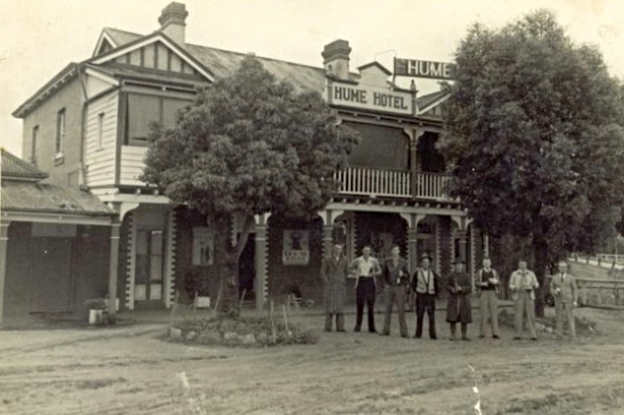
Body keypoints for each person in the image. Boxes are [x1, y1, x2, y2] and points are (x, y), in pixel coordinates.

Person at [380, 245, 410, 338]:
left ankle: (404, 332)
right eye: (393, 250)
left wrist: (403, 275)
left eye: (396, 250)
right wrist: (385, 284)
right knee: (387, 309)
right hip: (389, 287)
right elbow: (383, 275)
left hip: (399, 287)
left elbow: (408, 275)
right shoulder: (387, 261)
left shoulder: (403, 262)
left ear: (399, 251)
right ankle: (385, 330)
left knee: (401, 310)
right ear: (391, 251)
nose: (395, 252)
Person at [350, 246, 382, 333]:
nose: (366, 252)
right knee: (360, 304)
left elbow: (380, 271)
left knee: (370, 305)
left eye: (368, 251)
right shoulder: (358, 260)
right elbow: (350, 268)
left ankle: (372, 327)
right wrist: (355, 272)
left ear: (370, 252)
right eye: (365, 250)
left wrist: (374, 273)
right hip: (361, 281)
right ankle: (358, 326)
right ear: (362, 251)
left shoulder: (374, 260)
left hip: (370, 281)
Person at [320, 243, 350, 332]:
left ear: (341, 250)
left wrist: (342, 279)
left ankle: (340, 327)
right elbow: (322, 272)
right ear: (333, 250)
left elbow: (347, 271)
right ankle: (328, 327)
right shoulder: (327, 259)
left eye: (339, 249)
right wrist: (327, 282)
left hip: (340, 285)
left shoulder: (345, 260)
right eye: (336, 249)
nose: (337, 251)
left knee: (340, 306)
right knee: (330, 306)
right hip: (331, 285)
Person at [411, 253, 439, 339]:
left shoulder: (433, 273)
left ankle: (433, 334)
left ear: (429, 263)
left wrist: (436, 294)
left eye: (427, 262)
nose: (426, 264)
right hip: (421, 296)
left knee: (431, 315)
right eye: (424, 262)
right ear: (421, 263)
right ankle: (418, 334)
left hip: (430, 295)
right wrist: (417, 290)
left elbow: (437, 284)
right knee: (420, 314)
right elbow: (413, 283)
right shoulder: (417, 272)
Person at [509, 260, 539, 340]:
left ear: (526, 265)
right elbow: (511, 284)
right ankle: (517, 334)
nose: (522, 266)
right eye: (521, 264)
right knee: (518, 315)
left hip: (529, 294)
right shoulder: (515, 273)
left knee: (531, 315)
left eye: (524, 264)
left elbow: (536, 283)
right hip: (518, 294)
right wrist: (514, 287)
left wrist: (534, 285)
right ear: (518, 265)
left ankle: (533, 334)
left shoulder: (531, 273)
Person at [549, 260, 578, 341]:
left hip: (569, 300)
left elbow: (575, 289)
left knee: (570, 318)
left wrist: (575, 300)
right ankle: (559, 335)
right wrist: (554, 292)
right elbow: (551, 288)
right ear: (558, 268)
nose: (563, 269)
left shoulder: (571, 278)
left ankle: (572, 336)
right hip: (558, 300)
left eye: (565, 267)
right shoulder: (554, 278)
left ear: (567, 268)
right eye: (561, 267)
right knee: (559, 318)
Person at [446, 258, 473, 341]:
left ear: (462, 266)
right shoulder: (450, 275)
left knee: (464, 317)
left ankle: (464, 335)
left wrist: (462, 289)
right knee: (452, 317)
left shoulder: (466, 276)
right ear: (454, 266)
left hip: (463, 299)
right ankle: (452, 335)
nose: (458, 267)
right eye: (456, 265)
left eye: (459, 265)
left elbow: (470, 287)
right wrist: (452, 289)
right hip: (453, 299)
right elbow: (447, 286)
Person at [475, 257, 501, 339]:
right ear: (483, 263)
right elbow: (476, 282)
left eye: (488, 262)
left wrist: (495, 281)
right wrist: (482, 284)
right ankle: (482, 333)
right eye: (485, 262)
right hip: (483, 292)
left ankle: (495, 333)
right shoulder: (480, 272)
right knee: (483, 313)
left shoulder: (494, 272)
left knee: (494, 312)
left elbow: (498, 281)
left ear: (490, 263)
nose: (487, 264)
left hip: (493, 292)